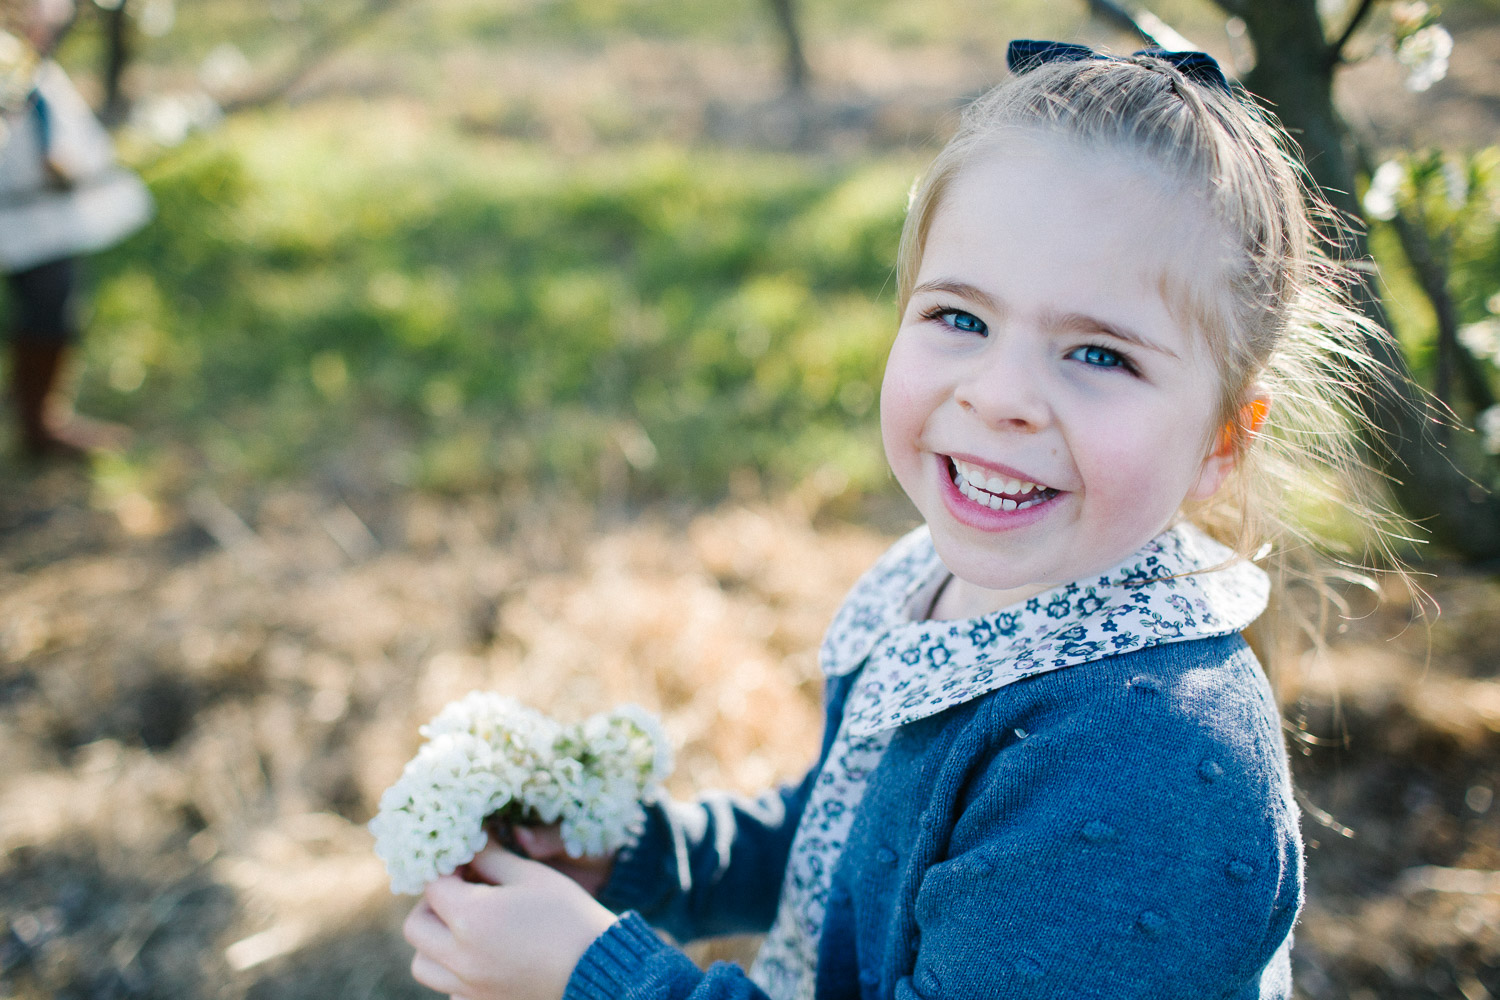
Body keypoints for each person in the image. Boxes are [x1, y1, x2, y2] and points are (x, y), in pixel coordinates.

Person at [401, 40, 1413, 999]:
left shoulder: (1142, 766)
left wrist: (595, 975)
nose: (1000, 394)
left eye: (1099, 354)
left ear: (1221, 443)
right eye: (960, 318)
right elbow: (845, 843)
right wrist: (639, 856)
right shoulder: (930, 580)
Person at [1, 0, 151, 460]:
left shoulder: (30, 67)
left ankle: (39, 423)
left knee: (52, 308)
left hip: (36, 222)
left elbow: (66, 137)